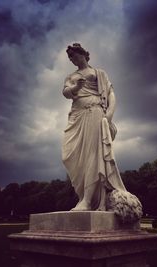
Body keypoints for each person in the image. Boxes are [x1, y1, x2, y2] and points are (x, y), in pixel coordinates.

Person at [62, 43, 127, 211]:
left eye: (73, 56)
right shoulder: (71, 76)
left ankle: (87, 201)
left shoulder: (99, 73)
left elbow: (111, 94)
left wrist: (109, 115)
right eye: (70, 58)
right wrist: (76, 87)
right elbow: (65, 92)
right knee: (71, 156)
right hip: (77, 117)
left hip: (95, 114)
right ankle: (83, 197)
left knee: (92, 154)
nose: (72, 60)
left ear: (83, 54)